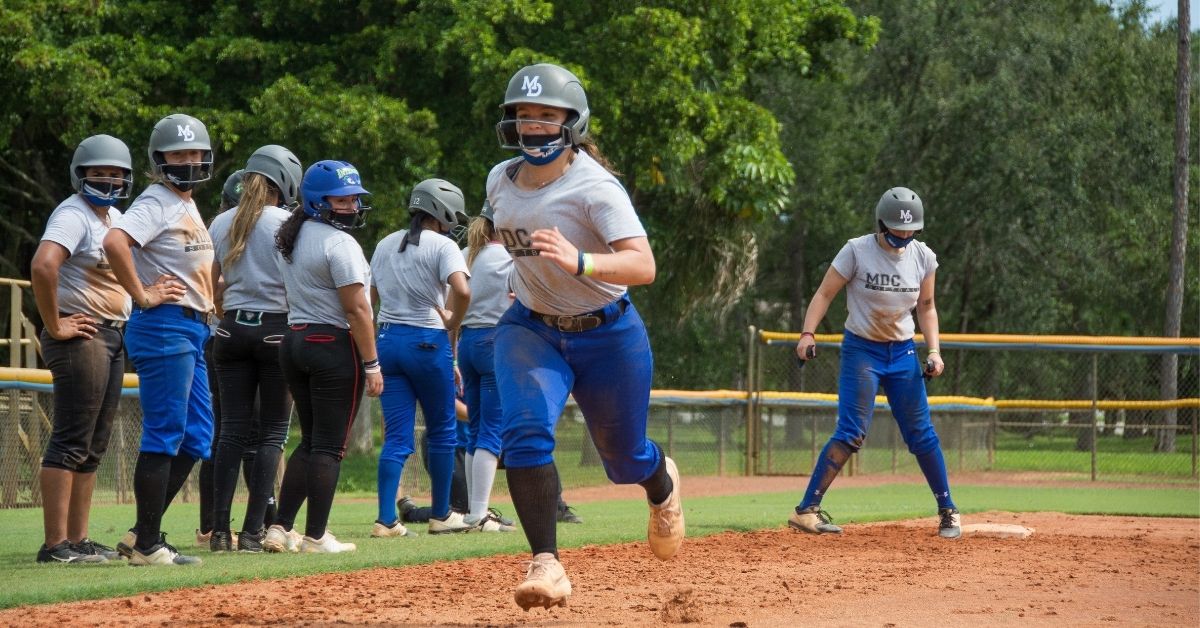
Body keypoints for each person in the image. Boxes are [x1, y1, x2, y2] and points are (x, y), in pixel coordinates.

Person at [487, 63, 683, 610]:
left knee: (623, 459)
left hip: (608, 333)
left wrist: (581, 261)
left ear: (573, 123)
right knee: (524, 435)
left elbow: (643, 265)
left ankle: (661, 483)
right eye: (524, 116)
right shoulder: (499, 181)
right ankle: (546, 563)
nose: (535, 127)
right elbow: (507, 234)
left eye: (548, 116)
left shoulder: (596, 187)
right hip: (530, 328)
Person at [789, 187, 960, 540]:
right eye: (896, 233)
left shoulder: (923, 257)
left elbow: (926, 307)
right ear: (881, 224)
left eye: (910, 233)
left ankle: (948, 511)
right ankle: (807, 511)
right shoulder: (856, 251)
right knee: (851, 432)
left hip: (902, 353)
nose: (903, 239)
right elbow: (824, 293)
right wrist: (807, 333)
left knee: (921, 434)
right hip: (862, 351)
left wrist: (934, 351)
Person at [104, 113, 216, 566]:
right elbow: (115, 242)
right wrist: (142, 294)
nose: (189, 161)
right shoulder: (157, 200)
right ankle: (148, 543)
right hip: (165, 324)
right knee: (166, 432)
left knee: (198, 437)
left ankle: (141, 534)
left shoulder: (185, 203)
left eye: (196, 154)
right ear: (159, 160)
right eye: (179, 154)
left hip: (192, 326)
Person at [263, 160, 382, 554]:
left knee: (311, 440)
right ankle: (316, 535)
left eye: (354, 199)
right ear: (316, 200)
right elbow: (357, 310)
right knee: (330, 446)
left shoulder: (291, 236)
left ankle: (280, 527)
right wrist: (372, 363)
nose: (351, 206)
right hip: (331, 344)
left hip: (294, 339)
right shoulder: (339, 243)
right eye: (342, 199)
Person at [30, 134, 134, 564]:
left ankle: (79, 538)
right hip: (83, 335)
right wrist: (55, 324)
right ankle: (55, 545)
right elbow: (43, 265)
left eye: (115, 174)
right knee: (72, 438)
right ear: (80, 175)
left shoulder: (113, 216)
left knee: (94, 442)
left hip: (110, 334)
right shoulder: (74, 214)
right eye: (98, 173)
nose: (107, 181)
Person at [208, 146, 303, 552]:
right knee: (272, 435)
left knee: (230, 432)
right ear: (284, 182)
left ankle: (217, 533)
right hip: (276, 330)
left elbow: (212, 284)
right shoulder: (288, 221)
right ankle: (251, 532)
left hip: (230, 330)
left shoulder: (221, 222)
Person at [370, 178, 474, 537]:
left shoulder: (385, 243)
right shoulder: (443, 245)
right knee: (443, 430)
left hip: (386, 340)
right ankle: (442, 514)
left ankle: (386, 520)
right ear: (440, 210)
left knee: (397, 438)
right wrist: (453, 322)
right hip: (428, 342)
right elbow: (462, 290)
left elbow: (369, 297)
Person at [457, 200, 520, 532]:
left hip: (466, 343)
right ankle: (480, 514)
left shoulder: (468, 252)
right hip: (496, 341)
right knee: (492, 432)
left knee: (477, 429)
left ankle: (472, 510)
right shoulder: (510, 257)